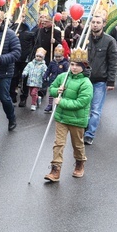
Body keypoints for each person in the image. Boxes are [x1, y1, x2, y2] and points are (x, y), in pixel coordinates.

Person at [44, 48, 93, 182]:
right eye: (72, 64)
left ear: (84, 66)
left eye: (78, 65)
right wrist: (56, 91)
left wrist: (61, 101)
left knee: (77, 145)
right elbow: (52, 88)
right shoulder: (62, 77)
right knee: (58, 143)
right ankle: (55, 170)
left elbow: (81, 102)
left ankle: (80, 162)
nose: (74, 68)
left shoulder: (86, 83)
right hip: (61, 117)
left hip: (77, 119)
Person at [83, 9, 117, 145]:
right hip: (84, 79)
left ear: (103, 24)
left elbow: (113, 61)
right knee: (84, 107)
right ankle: (82, 128)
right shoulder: (84, 39)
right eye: (93, 22)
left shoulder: (110, 41)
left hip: (100, 81)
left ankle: (90, 134)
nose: (95, 25)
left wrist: (111, 81)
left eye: (98, 22)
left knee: (95, 110)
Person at [43, 44, 70, 113]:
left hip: (61, 81)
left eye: (59, 57)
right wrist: (45, 75)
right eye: (56, 57)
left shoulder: (65, 63)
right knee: (51, 93)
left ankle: (59, 105)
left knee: (61, 93)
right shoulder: (52, 62)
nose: (57, 58)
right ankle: (50, 105)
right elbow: (48, 70)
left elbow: (67, 72)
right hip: (53, 79)